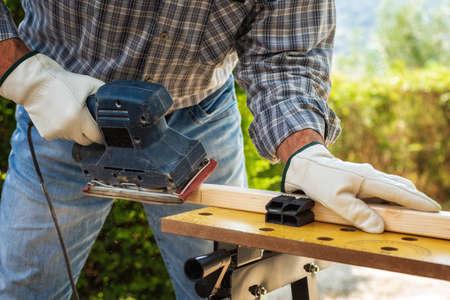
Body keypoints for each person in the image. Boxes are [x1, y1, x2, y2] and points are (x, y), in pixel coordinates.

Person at [0, 0, 440, 299]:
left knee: (226, 284)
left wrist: (306, 151)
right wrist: (27, 77)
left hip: (197, 113)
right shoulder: (47, 95)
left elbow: (285, 57)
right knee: (27, 286)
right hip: (61, 110)